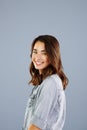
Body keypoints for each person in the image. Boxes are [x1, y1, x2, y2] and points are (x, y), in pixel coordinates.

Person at [22, 35, 68, 130]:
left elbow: (36, 126)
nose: (37, 57)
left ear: (52, 56)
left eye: (44, 53)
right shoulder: (44, 82)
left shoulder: (50, 83)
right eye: (35, 52)